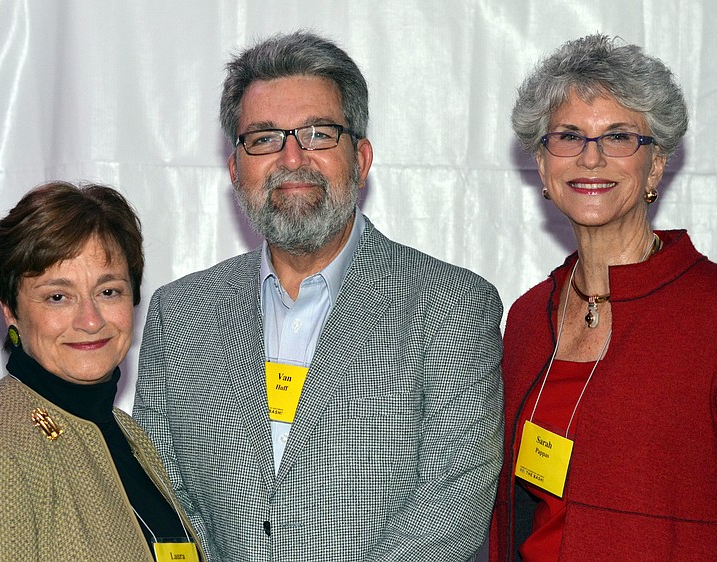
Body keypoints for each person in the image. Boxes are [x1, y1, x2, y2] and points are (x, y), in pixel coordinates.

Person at [133, 30, 504, 561]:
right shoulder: (182, 315)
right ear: (235, 168)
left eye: (317, 133)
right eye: (263, 138)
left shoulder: (451, 306)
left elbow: (446, 517)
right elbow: (166, 503)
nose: (291, 158)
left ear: (361, 157)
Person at [491, 34, 717, 561]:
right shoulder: (529, 316)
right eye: (569, 136)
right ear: (543, 165)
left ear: (657, 165)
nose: (591, 158)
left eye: (619, 137)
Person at [0, 182, 205, 561]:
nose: (90, 321)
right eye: (58, 297)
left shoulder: (127, 433)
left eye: (109, 292)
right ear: (10, 310)